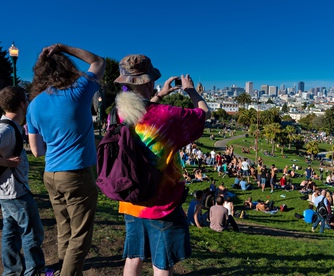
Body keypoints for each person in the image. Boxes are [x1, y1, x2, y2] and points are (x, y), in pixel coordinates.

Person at [112, 54, 211, 275]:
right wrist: (191, 90)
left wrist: (160, 95)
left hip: (130, 196)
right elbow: (204, 114)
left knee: (133, 258)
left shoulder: (117, 113)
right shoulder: (166, 116)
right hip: (160, 203)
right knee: (161, 264)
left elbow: (142, 110)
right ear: (149, 82)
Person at [27, 43, 105, 275]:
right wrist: (63, 47)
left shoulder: (33, 105)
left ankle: (69, 270)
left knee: (65, 230)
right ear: (67, 69)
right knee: (80, 237)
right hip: (76, 174)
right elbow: (98, 62)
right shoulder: (77, 91)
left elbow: (37, 151)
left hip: (51, 174)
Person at [0, 86, 46, 275]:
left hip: (7, 192)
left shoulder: (7, 127)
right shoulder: (7, 129)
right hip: (16, 192)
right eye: (27, 99)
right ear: (22, 104)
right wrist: (5, 161)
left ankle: (12, 271)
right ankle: (33, 271)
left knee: (10, 233)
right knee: (33, 233)